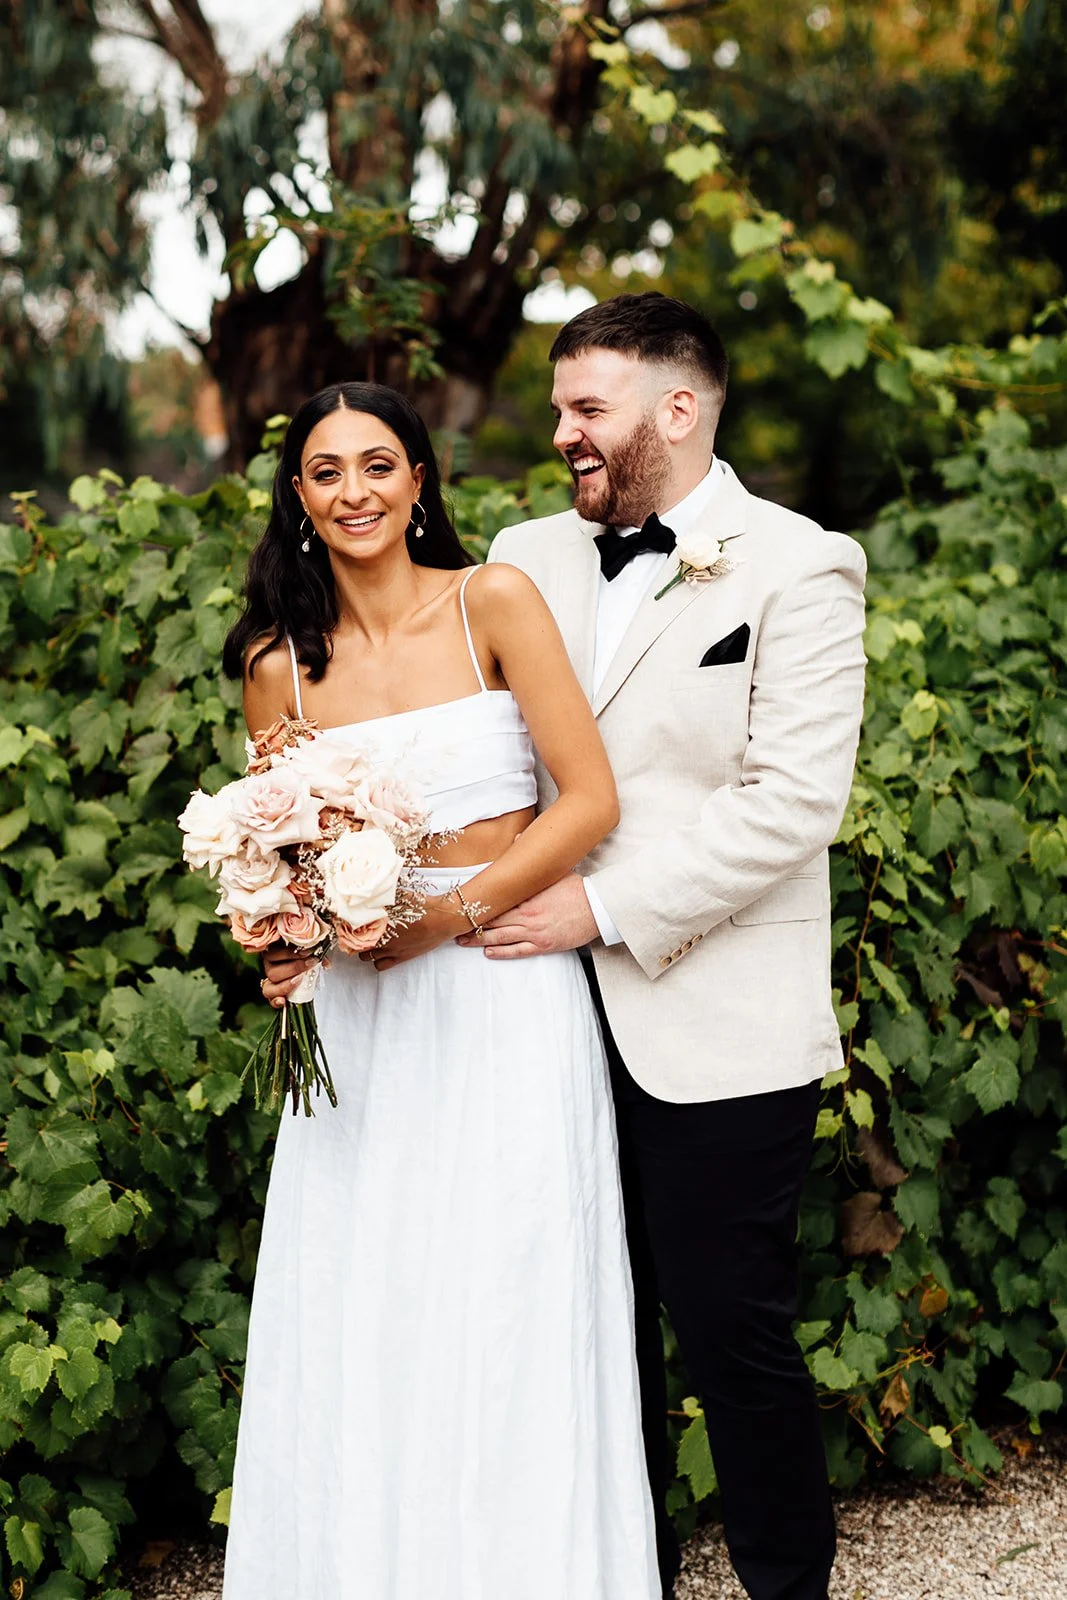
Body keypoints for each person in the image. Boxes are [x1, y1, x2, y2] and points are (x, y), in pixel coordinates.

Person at [221, 381, 659, 1600]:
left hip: (501, 991)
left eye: (377, 465)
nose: (353, 491)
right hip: (361, 1020)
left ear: (418, 481)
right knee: (366, 1299)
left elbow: (587, 799)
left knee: (507, 1290)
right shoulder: (275, 668)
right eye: (325, 472)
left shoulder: (491, 602)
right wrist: (282, 936)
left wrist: (444, 918)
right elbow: (281, 851)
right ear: (298, 497)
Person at [471, 292, 867, 1600]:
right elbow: (481, 761)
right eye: (557, 408)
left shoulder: (799, 565)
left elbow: (791, 803)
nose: (561, 433)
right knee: (580, 1332)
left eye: (587, 408)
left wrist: (602, 908)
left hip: (716, 1016)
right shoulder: (520, 554)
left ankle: (784, 1586)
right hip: (531, 1008)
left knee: (730, 1331)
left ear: (677, 409)